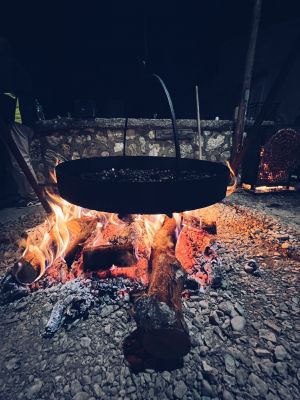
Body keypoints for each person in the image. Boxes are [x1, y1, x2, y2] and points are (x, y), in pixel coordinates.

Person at [0, 37, 40, 207]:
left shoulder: (8, 66)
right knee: (14, 160)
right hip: (17, 118)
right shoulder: (12, 65)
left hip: (18, 119)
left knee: (20, 159)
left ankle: (34, 196)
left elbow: (9, 93)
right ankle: (26, 195)